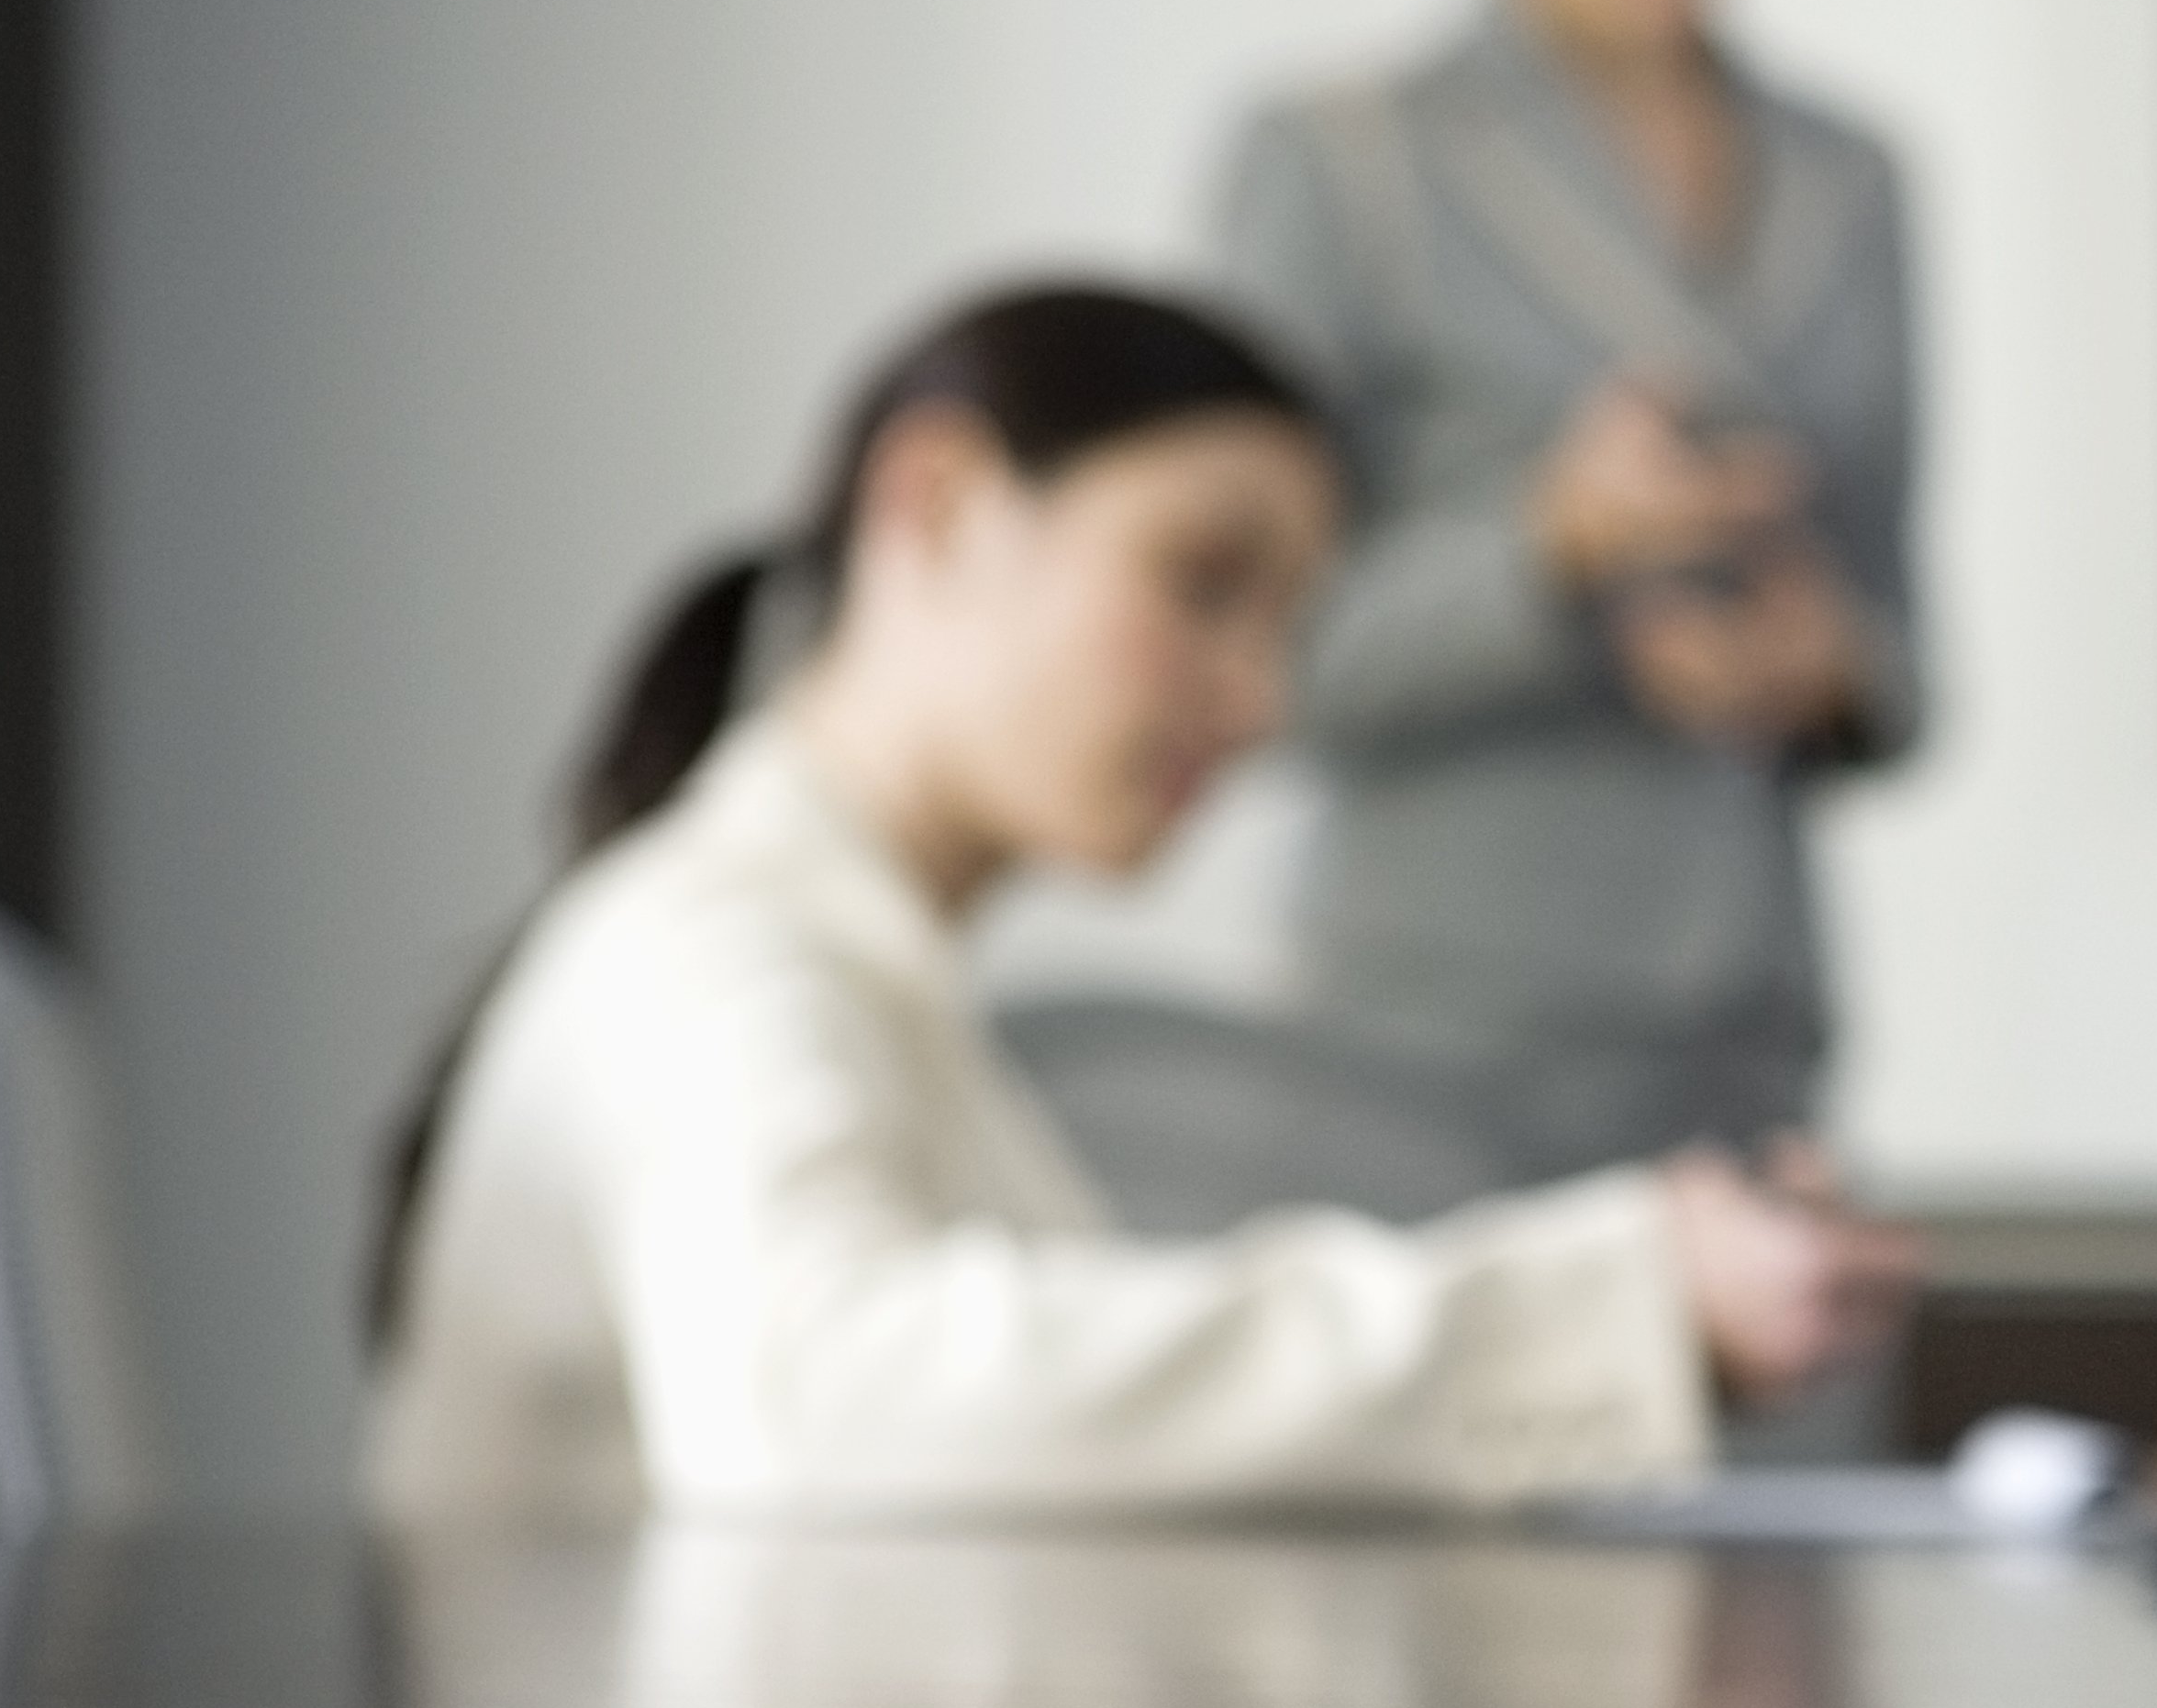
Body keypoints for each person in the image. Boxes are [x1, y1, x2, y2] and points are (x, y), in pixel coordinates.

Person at [366, 284, 1910, 1524]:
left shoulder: (846, 961)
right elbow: (825, 1396)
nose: (1255, 697)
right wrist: (1595, 1302)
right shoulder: (716, 940)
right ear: (941, 505)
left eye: (1288, 626)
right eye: (1203, 582)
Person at [1127, 0, 1917, 1224]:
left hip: (1747, 1066)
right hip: (1434, 1065)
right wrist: (1553, 548)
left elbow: (1905, 666)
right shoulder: (1343, 163)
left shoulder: (1851, 181)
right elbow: (1250, 659)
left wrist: (1819, 663)